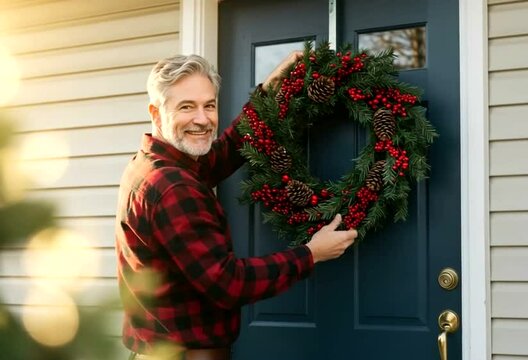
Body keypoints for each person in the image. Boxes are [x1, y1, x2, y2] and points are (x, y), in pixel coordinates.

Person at [115, 53, 358, 360]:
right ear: (156, 112)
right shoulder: (172, 187)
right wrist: (311, 254)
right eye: (187, 107)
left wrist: (268, 92)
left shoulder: (154, 163)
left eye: (209, 105)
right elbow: (227, 281)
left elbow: (224, 153)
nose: (202, 119)